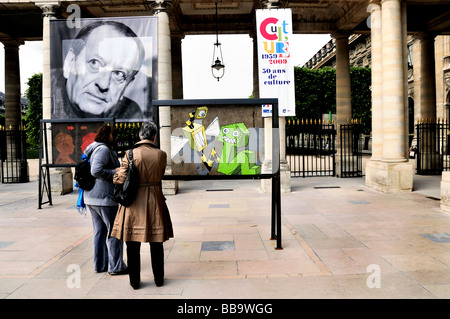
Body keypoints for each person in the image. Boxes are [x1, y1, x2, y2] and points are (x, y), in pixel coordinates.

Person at [111, 121, 174, 289]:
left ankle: (135, 281)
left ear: (140, 135)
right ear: (154, 136)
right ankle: (159, 279)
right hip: (154, 198)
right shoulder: (161, 154)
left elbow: (121, 178)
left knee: (132, 243)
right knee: (156, 242)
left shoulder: (130, 153)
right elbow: (160, 175)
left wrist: (115, 176)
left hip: (133, 202)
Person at [51, 20, 146, 120]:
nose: (103, 84)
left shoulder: (131, 114)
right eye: (94, 63)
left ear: (127, 86)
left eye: (119, 74)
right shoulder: (45, 99)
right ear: (70, 62)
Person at [83, 124, 128, 275]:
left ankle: (101, 264)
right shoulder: (102, 149)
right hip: (104, 198)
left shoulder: (93, 148)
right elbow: (96, 170)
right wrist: (114, 172)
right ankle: (116, 266)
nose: (116, 139)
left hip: (91, 197)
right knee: (114, 232)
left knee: (99, 232)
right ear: (109, 136)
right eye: (114, 136)